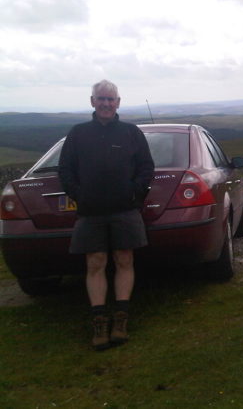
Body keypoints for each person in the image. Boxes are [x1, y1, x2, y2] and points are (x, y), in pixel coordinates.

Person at [58, 80, 155, 351]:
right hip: (90, 211)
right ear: (92, 101)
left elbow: (147, 167)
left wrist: (134, 193)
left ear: (118, 102)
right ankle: (99, 321)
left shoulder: (131, 133)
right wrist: (80, 195)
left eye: (111, 99)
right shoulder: (78, 133)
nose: (106, 104)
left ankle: (121, 320)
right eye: (101, 99)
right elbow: (65, 170)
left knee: (125, 258)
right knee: (95, 263)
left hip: (125, 209)